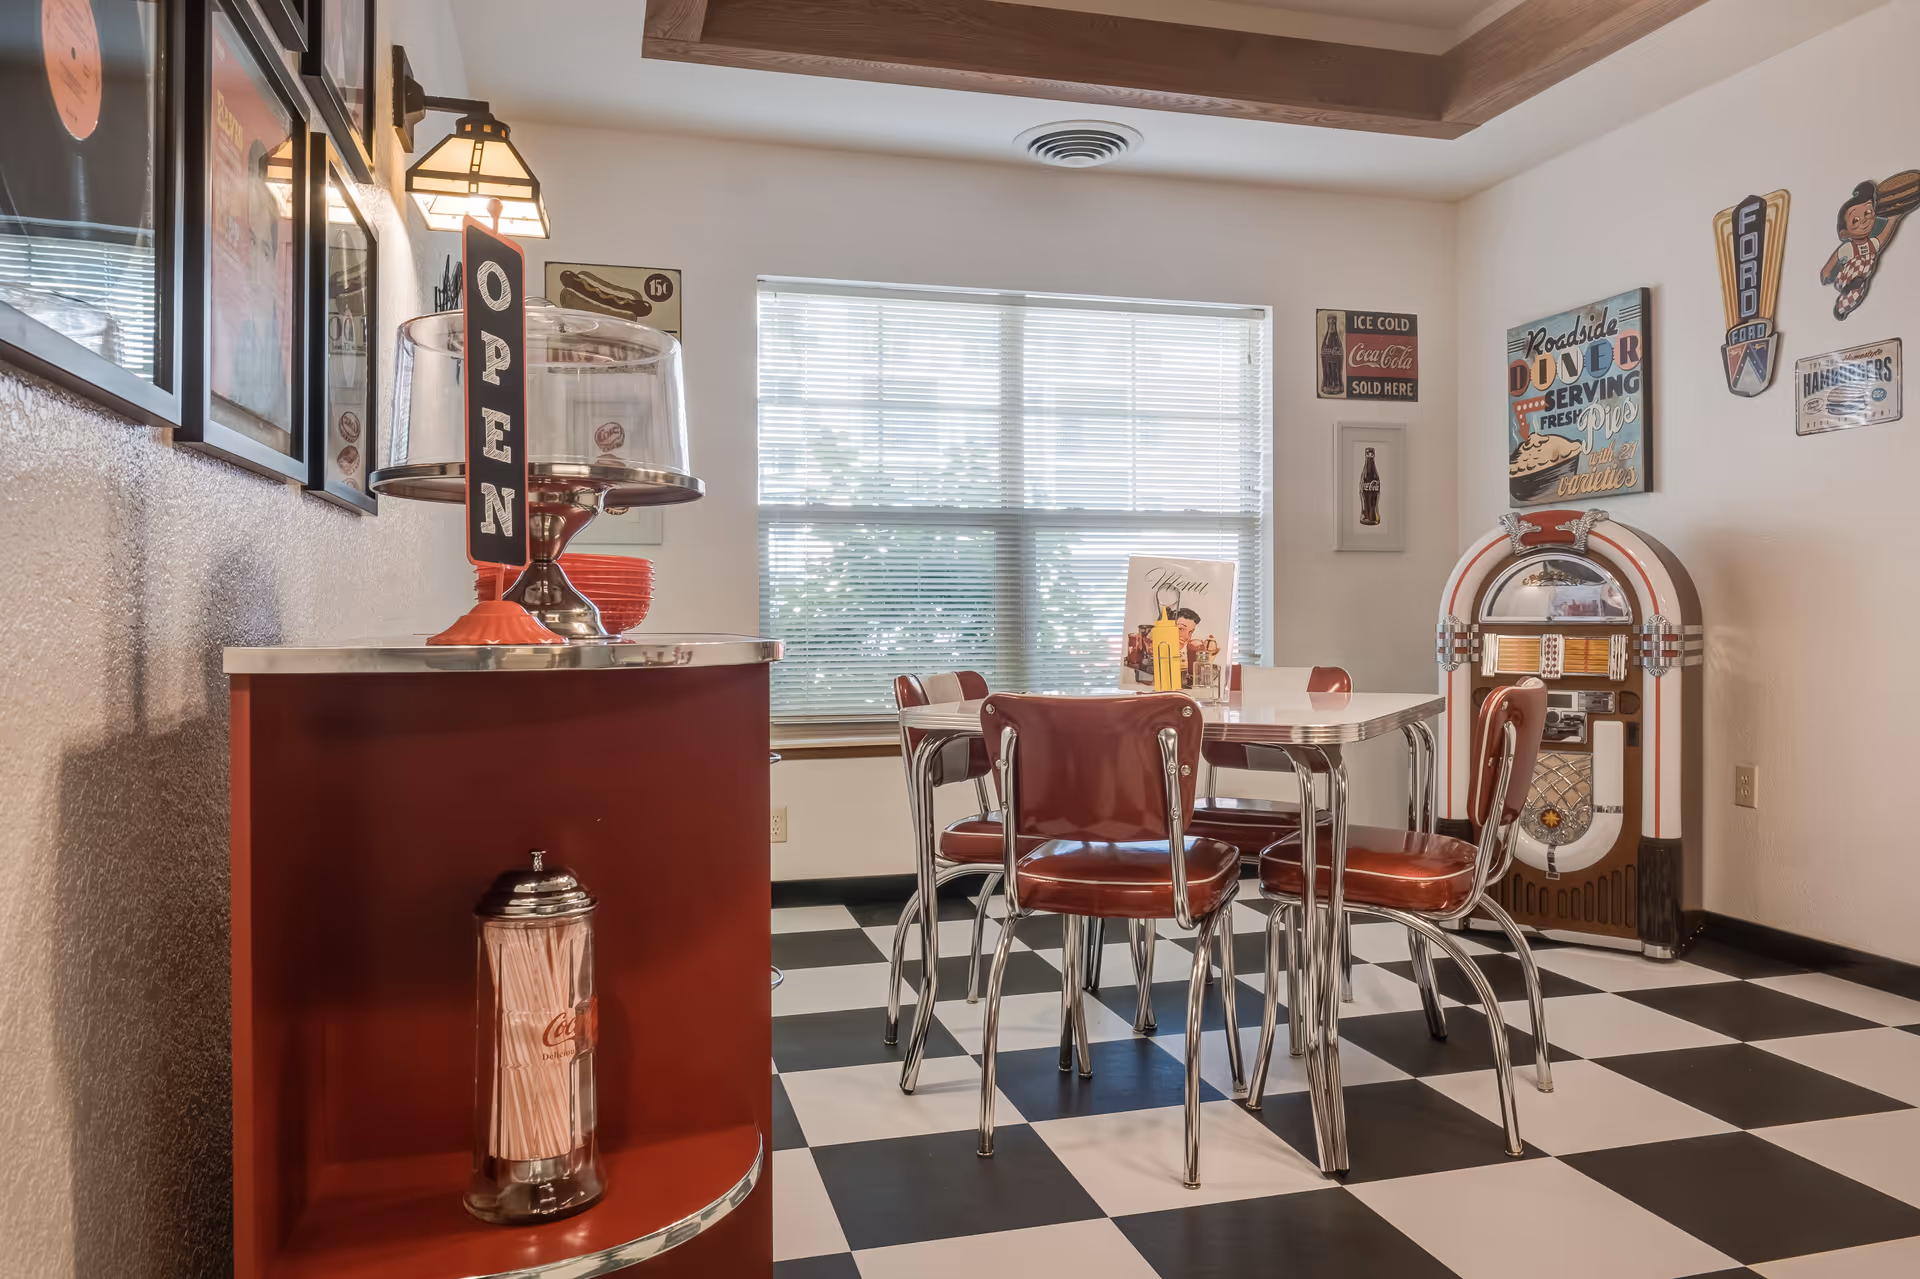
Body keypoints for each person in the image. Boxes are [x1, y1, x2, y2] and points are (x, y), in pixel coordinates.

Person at [1821, 180, 1906, 320]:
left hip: (1861, 280)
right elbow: (1836, 257)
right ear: (1844, 233)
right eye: (1855, 220)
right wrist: (1827, 270)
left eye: (1867, 212)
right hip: (1847, 278)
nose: (1864, 220)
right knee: (1847, 291)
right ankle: (1841, 304)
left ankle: (1841, 308)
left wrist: (1892, 220)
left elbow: (1883, 237)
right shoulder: (1849, 248)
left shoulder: (1872, 244)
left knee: (1855, 295)